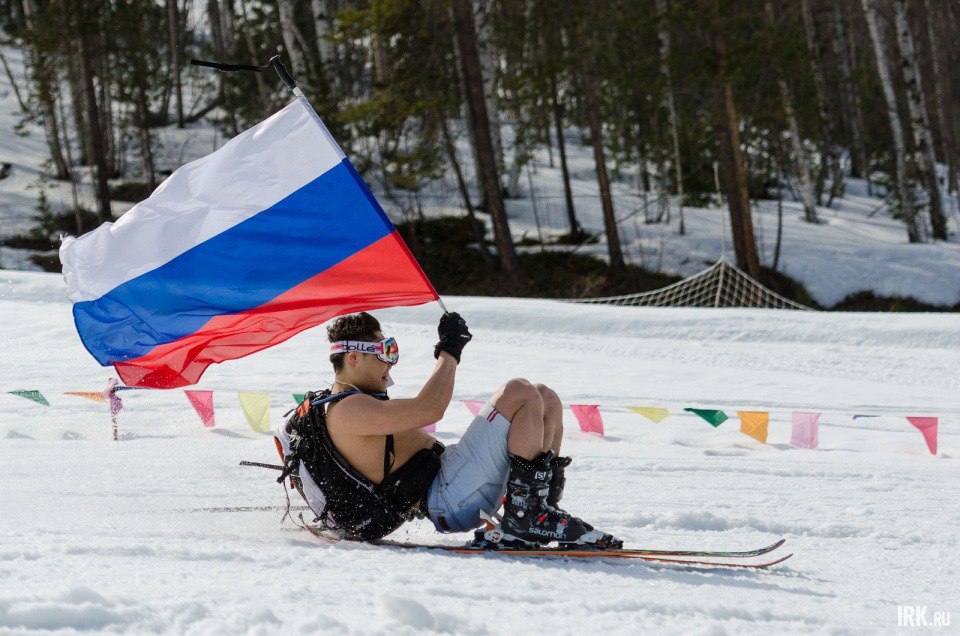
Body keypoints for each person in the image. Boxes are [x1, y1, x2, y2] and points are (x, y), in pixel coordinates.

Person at [278, 310, 620, 549]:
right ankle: (525, 516)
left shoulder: (357, 403)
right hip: (447, 498)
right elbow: (430, 409)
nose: (390, 362)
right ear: (353, 358)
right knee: (518, 391)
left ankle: (539, 508)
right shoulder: (347, 409)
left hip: (454, 483)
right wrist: (449, 351)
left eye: (392, 351)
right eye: (385, 351)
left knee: (544, 397)